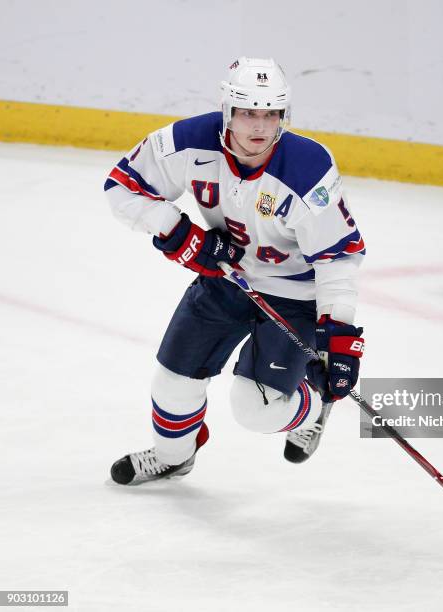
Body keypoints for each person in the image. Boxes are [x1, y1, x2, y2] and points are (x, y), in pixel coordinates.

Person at [105, 57, 365, 485]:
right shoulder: (188, 141)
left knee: (255, 408)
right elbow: (122, 187)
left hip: (296, 295)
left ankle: (314, 404)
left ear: (284, 116)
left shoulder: (307, 167)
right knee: (172, 383)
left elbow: (336, 256)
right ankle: (174, 457)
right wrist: (179, 232)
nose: (259, 127)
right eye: (247, 113)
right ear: (227, 111)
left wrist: (337, 334)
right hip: (226, 279)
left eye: (270, 114)